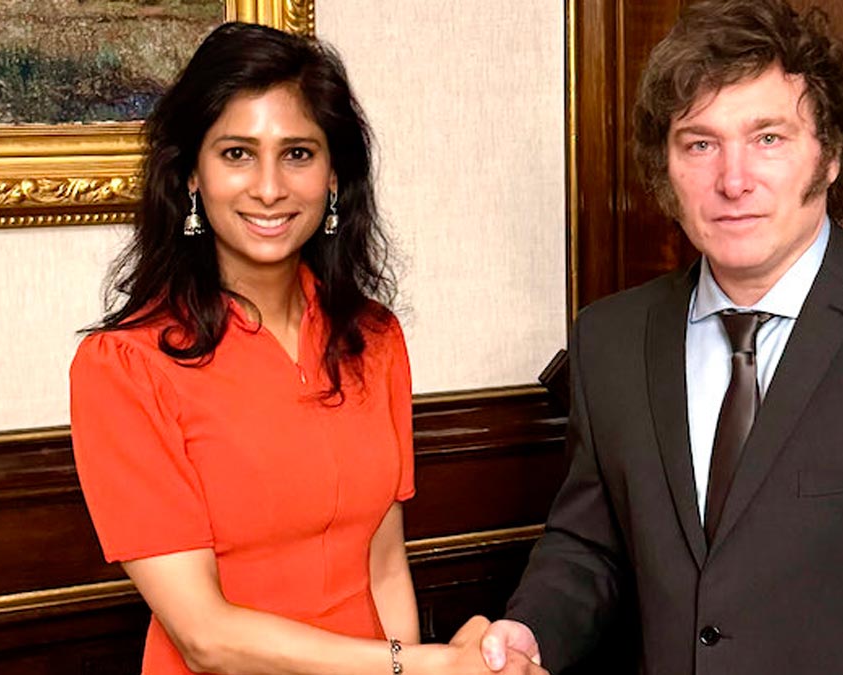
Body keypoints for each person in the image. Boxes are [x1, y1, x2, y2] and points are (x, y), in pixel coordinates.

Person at [476, 1, 843, 673]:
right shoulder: (609, 339)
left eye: (768, 138)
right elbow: (592, 547)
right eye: (700, 144)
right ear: (666, 168)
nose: (733, 181)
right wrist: (532, 630)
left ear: (831, 154)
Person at [69, 22, 542, 675]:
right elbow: (205, 638)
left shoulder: (374, 338)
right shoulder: (127, 366)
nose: (270, 188)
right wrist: (427, 666)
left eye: (297, 153)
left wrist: (419, 668)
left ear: (335, 175)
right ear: (192, 175)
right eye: (237, 153)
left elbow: (383, 568)